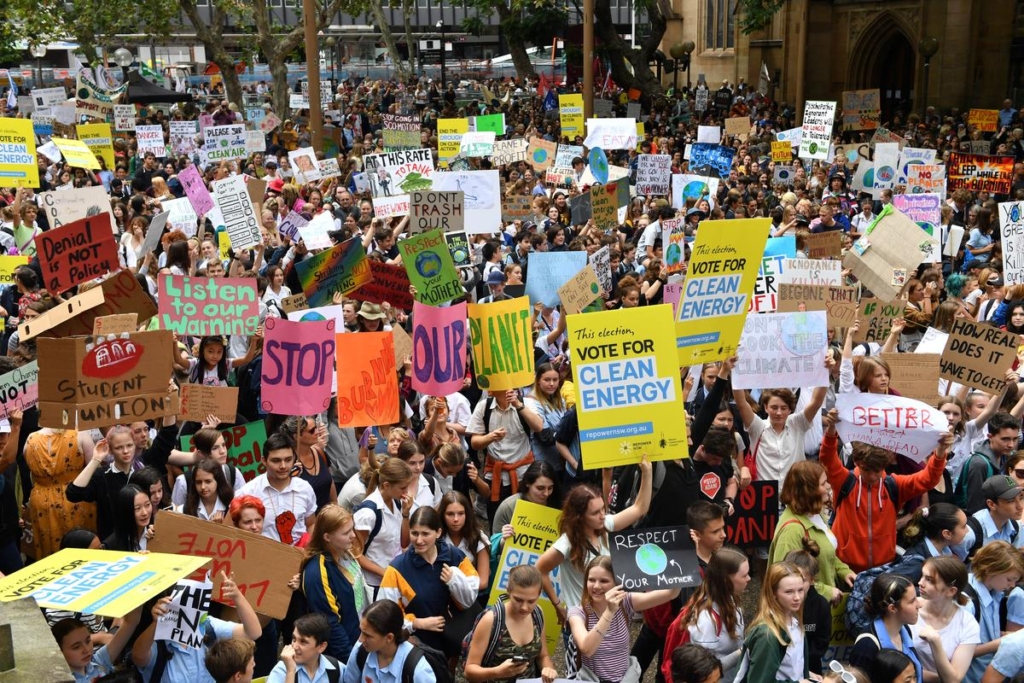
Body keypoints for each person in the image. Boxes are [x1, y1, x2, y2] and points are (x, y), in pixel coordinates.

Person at [820, 409, 951, 573]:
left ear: (887, 464)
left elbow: (928, 479)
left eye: (878, 470)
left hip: (882, 568)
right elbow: (827, 457)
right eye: (867, 469)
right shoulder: (845, 480)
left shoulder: (894, 484)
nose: (873, 476)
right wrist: (832, 428)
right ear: (856, 461)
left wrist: (940, 452)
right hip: (844, 568)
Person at [537, 456, 653, 624]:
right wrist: (558, 605)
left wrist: (647, 473)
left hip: (609, 616)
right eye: (595, 513)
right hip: (583, 621)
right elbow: (540, 570)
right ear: (579, 516)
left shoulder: (604, 525)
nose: (602, 516)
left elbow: (639, 508)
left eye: (603, 509)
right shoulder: (567, 543)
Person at [378, 506, 480, 657]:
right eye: (414, 533)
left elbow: (470, 598)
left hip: (454, 641)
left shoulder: (455, 556)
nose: (419, 540)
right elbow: (386, 612)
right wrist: (417, 623)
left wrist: (455, 580)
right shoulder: (397, 569)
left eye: (425, 534)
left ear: (438, 533)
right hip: (420, 646)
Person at [132, 571, 263, 683]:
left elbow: (253, 632)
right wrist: (157, 622)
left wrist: (237, 596)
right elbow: (138, 656)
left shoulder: (207, 627)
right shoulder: (159, 644)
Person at [568, 556, 680, 683]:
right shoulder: (577, 613)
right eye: (591, 580)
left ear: (617, 583)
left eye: (604, 581)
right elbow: (587, 649)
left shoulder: (626, 602)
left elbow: (671, 594)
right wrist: (609, 612)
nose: (596, 586)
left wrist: (683, 556)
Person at [769, 460, 856, 604]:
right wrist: (826, 591)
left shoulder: (815, 514)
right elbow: (784, 579)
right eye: (823, 484)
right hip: (805, 612)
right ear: (808, 491)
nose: (828, 486)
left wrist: (844, 571)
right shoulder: (792, 530)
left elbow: (827, 554)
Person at [662, 548, 750, 683]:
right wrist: (744, 650)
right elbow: (706, 672)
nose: (749, 579)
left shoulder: (730, 600)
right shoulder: (706, 620)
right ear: (726, 580)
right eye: (744, 575)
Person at [462, 566, 557, 683]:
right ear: (508, 590)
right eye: (518, 600)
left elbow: (543, 656)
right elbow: (469, 671)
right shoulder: (491, 620)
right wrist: (497, 672)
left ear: (539, 594)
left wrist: (548, 669)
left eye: (531, 601)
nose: (524, 607)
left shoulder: (537, 613)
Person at [732, 379, 828, 486]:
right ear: (766, 407)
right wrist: (736, 375)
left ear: (790, 409)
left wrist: (824, 373)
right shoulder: (757, 426)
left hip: (794, 495)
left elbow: (816, 402)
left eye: (783, 408)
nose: (779, 413)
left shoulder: (797, 423)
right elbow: (741, 404)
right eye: (774, 407)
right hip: (766, 496)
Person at [301, 505, 367, 661]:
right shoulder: (317, 572)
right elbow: (330, 623)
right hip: (344, 653)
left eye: (352, 528)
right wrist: (351, 661)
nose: (353, 536)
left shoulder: (344, 551)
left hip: (361, 640)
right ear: (327, 537)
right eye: (345, 533)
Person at [24, 426, 96, 559]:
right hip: (75, 498)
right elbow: (94, 469)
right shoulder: (81, 434)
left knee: (49, 550)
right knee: (81, 547)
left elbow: (31, 474)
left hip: (41, 501)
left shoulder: (31, 438)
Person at [237, 433, 317, 546]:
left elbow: (311, 524)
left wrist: (307, 550)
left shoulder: (305, 488)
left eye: (288, 459)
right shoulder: (248, 492)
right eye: (276, 461)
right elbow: (229, 531)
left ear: (294, 458)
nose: (283, 466)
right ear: (264, 461)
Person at [737, 562, 810, 683]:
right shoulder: (767, 635)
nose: (797, 597)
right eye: (789, 592)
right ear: (773, 593)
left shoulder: (795, 621)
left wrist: (806, 675)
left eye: (800, 590)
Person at [910, 556, 979, 683]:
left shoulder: (968, 624)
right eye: (922, 576)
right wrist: (937, 678)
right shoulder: (910, 610)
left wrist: (935, 642)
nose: (920, 582)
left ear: (950, 591)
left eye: (929, 580)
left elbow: (953, 680)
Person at [965, 541, 1024, 683]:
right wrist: (1003, 642)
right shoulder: (966, 600)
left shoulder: (996, 592)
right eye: (1009, 579)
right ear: (990, 571)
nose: (1012, 585)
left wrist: (1005, 636)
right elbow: (956, 653)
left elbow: (986, 635)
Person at [848, 574, 923, 683]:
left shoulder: (904, 630)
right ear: (892, 608)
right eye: (912, 601)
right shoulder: (867, 646)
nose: (919, 604)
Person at [354, 458, 413, 595]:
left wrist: (405, 514)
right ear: (386, 485)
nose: (406, 492)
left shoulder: (397, 502)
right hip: (372, 584)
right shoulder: (368, 513)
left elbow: (404, 542)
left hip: (393, 578)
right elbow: (355, 553)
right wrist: (384, 572)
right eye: (403, 488)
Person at [341, 600, 437, 683]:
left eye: (368, 635)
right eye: (361, 631)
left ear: (389, 637)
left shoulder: (418, 670)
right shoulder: (360, 651)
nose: (361, 639)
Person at [52, 606, 142, 683]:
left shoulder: (99, 662)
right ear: (59, 651)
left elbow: (131, 622)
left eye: (88, 641)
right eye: (76, 647)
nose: (86, 649)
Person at [490, 461, 560, 544]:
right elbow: (493, 546)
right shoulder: (508, 507)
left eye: (550, 488)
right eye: (540, 488)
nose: (546, 493)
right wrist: (503, 540)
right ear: (527, 484)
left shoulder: (559, 505)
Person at [438, 491, 490, 595]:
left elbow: (483, 582)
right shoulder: (436, 538)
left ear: (467, 514)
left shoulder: (477, 537)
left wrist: (455, 585)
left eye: (461, 513)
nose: (456, 519)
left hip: (471, 598)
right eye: (450, 514)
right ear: (443, 515)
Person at [268, 613, 340, 683]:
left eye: (303, 642)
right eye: (294, 639)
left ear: (321, 646)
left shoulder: (335, 668)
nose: (295, 646)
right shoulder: (282, 670)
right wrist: (290, 672)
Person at [103, 484, 154, 552]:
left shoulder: (154, 533)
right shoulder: (112, 545)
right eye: (137, 508)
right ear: (125, 511)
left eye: (147, 505)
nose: (145, 513)